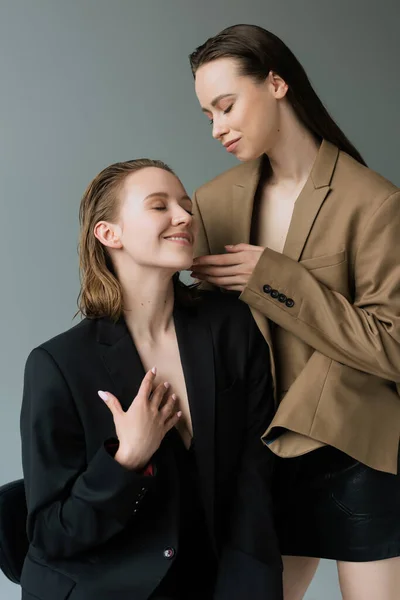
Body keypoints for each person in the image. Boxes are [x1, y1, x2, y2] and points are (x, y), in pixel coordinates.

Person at [188, 24, 400, 600]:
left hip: (355, 449)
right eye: (208, 114)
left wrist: (275, 279)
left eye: (226, 106)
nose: (217, 127)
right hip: (258, 456)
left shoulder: (374, 202)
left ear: (276, 83)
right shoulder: (211, 203)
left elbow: (391, 347)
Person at [19, 158, 282, 600]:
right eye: (159, 206)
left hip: (216, 580)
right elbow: (50, 534)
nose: (184, 216)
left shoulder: (231, 329)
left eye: (184, 205)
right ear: (109, 234)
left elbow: (254, 482)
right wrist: (127, 460)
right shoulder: (57, 364)